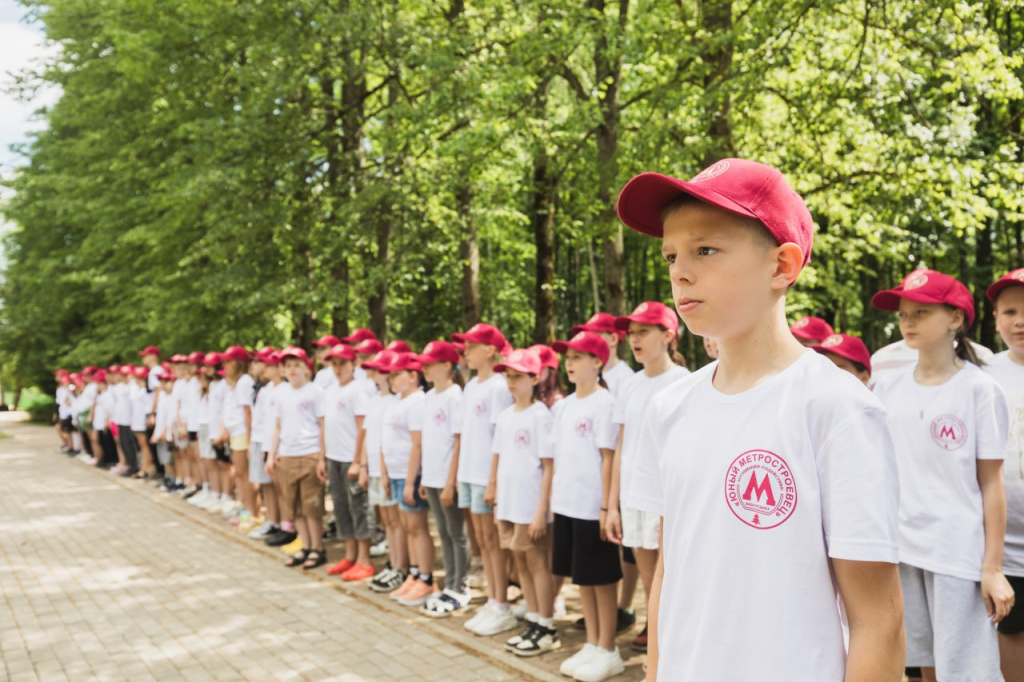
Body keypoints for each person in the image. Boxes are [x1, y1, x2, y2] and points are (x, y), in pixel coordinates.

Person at [616, 158, 904, 681]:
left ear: (781, 266)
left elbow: (878, 620)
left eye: (706, 249)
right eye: (672, 254)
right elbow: (669, 575)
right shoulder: (670, 409)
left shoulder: (836, 408)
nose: (680, 270)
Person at [872, 268, 1013, 682]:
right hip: (900, 548)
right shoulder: (887, 387)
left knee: (966, 670)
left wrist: (991, 568)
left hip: (956, 552)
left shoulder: (979, 389)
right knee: (922, 664)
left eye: (921, 312)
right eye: (903, 314)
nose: (908, 322)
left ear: (955, 318)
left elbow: (991, 482)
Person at [604, 301, 690, 656]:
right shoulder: (630, 384)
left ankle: (674, 655)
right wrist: (611, 506)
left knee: (673, 582)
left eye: (643, 332)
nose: (634, 339)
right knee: (652, 585)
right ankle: (657, 654)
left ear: (668, 335)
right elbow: (621, 446)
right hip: (633, 497)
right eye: (631, 333)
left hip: (667, 503)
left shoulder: (684, 383)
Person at [548, 332, 623, 681]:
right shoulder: (563, 405)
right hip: (567, 504)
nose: (570, 363)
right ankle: (592, 643)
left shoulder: (605, 403)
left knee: (602, 579)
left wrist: (608, 507)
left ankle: (609, 647)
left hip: (593, 506)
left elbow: (608, 459)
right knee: (583, 579)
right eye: (568, 357)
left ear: (597, 362)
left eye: (578, 357)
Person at [486, 349, 559, 656]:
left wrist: (541, 511)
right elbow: (499, 456)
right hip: (509, 504)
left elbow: (549, 467)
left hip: (531, 506)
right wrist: (493, 491)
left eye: (518, 376)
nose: (511, 382)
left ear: (535, 377)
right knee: (521, 563)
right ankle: (532, 616)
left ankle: (546, 623)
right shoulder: (505, 416)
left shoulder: (541, 416)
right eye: (508, 376)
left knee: (538, 563)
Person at [452, 323, 517, 636]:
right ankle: (493, 600)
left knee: (493, 542)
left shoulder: (498, 387)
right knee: (481, 541)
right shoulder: (470, 385)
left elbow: (500, 438)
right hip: (468, 473)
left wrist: (493, 481)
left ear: (490, 350)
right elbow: (464, 435)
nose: (465, 350)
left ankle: (501, 603)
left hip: (484, 476)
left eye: (471, 345)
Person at [985, 268, 1024, 682]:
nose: (1020, 321)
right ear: (995, 318)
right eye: (1010, 311)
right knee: (1010, 645)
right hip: (1004, 553)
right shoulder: (983, 374)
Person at [416, 341, 472, 617]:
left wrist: (451, 481)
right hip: (433, 478)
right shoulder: (429, 397)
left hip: (448, 479)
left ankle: (461, 586)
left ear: (448, 366)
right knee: (443, 532)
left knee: (457, 533)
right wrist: (427, 479)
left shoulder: (454, 395)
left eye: (431, 363)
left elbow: (458, 442)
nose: (425, 368)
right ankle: (449, 583)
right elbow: (429, 441)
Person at [266, 346, 328, 570]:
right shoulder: (281, 394)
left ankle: (317, 548)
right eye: (288, 366)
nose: (292, 370)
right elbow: (277, 426)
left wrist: (321, 458)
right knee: (295, 507)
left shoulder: (315, 392)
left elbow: (323, 426)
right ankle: (305, 544)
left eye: (297, 365)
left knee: (311, 507)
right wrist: (272, 455)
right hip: (287, 455)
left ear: (306, 368)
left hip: (309, 454)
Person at [322, 344, 376, 582]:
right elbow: (325, 425)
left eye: (342, 363)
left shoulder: (358, 390)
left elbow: (363, 428)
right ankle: (350, 555)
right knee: (341, 507)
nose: (338, 368)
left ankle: (364, 559)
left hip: (350, 459)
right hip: (334, 457)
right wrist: (323, 457)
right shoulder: (331, 390)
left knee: (359, 508)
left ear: (353, 364)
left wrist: (357, 461)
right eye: (334, 364)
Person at [362, 350, 408, 593]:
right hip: (375, 467)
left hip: (390, 468)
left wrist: (385, 469)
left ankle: (401, 566)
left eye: (379, 370)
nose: (374, 374)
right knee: (388, 520)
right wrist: (363, 466)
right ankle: (394, 562)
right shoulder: (375, 401)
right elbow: (369, 435)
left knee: (398, 520)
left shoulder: (396, 401)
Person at [220, 346, 256, 522]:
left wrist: (249, 440)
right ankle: (244, 508)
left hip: (243, 432)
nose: (225, 365)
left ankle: (251, 512)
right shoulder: (235, 384)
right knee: (240, 473)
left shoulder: (244, 382)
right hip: (236, 433)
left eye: (229, 361)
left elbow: (248, 413)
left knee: (244, 473)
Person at [572, 313, 634, 395]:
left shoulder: (626, 378)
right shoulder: (589, 376)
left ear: (613, 339)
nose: (588, 342)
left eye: (594, 336)